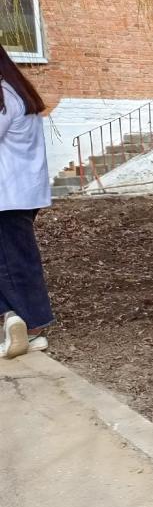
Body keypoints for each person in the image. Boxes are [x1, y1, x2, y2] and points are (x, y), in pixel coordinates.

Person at [0, 47, 52, 360]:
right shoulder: (16, 90)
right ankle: (13, 318)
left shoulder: (4, 95)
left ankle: (33, 328)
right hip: (20, 193)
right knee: (12, 259)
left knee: (15, 262)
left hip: (8, 196)